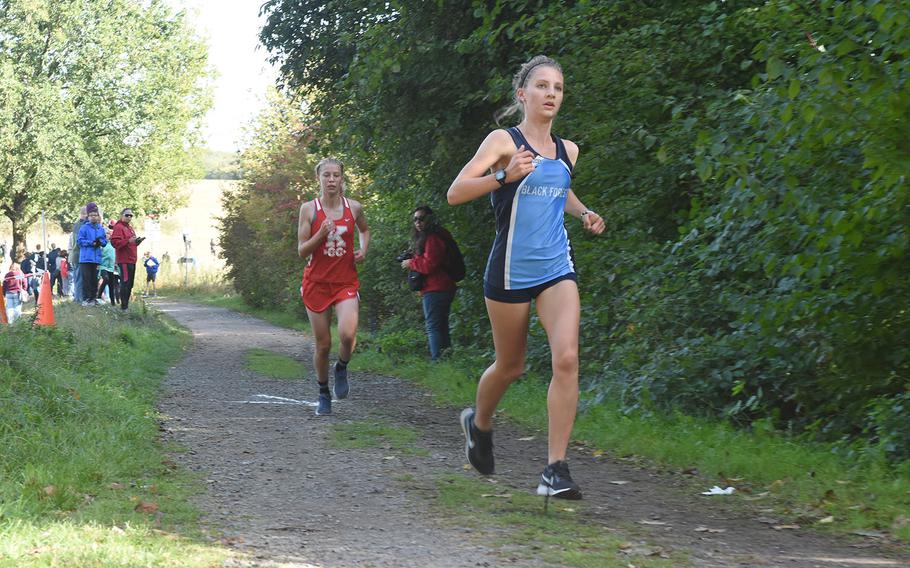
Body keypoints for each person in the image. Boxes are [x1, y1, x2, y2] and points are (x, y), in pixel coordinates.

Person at [447, 55, 605, 500]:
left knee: (568, 358)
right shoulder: (504, 141)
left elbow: (561, 186)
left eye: (557, 86)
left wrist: (584, 212)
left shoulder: (568, 150)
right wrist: (503, 175)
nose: (551, 93)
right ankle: (478, 424)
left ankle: (555, 470)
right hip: (510, 271)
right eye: (542, 85)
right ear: (523, 94)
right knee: (510, 366)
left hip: (557, 268)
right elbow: (455, 193)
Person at [297, 158, 370, 416]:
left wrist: (363, 249)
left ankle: (341, 367)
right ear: (318, 179)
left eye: (336, 175)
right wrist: (320, 234)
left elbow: (364, 230)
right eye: (326, 175)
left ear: (342, 179)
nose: (331, 180)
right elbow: (301, 250)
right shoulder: (309, 209)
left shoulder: (354, 207)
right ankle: (323, 393)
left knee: (348, 335)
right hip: (316, 283)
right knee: (323, 343)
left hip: (345, 282)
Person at [399, 206, 457, 360]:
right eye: (415, 219)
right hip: (441, 287)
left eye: (422, 218)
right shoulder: (434, 236)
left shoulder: (433, 238)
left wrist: (411, 263)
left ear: (430, 219)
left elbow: (429, 264)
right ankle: (446, 360)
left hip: (437, 287)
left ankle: (437, 361)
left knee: (433, 327)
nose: (418, 222)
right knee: (441, 326)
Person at [111, 208, 143, 310]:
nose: (129, 217)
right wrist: (128, 241)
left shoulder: (130, 228)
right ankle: (123, 306)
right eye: (127, 215)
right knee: (125, 282)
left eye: (131, 215)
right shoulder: (118, 227)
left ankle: (126, 305)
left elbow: (131, 242)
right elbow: (115, 243)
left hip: (132, 259)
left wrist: (136, 242)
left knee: (130, 283)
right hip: (124, 259)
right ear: (121, 215)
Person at [77, 203, 107, 306]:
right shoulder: (84, 228)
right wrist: (91, 243)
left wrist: (100, 242)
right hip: (85, 258)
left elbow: (104, 241)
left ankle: (94, 298)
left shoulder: (100, 228)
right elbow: (80, 241)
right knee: (87, 279)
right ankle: (86, 299)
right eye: (92, 215)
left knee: (95, 279)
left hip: (96, 258)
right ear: (88, 217)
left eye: (96, 215)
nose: (94, 217)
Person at [98, 226, 119, 305]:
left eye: (109, 234)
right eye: (106, 233)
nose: (108, 235)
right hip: (103, 266)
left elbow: (115, 255)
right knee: (105, 279)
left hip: (111, 267)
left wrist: (116, 263)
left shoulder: (113, 245)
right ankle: (99, 295)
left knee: (111, 285)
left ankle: (113, 302)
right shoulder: (103, 244)